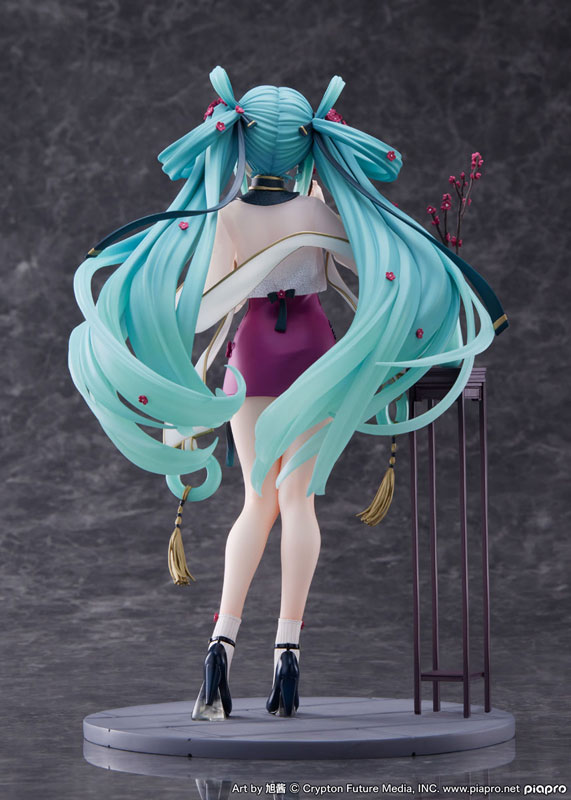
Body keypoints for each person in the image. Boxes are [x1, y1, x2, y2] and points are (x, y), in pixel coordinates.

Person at [68, 66, 506, 721]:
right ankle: (287, 653)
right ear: (307, 143)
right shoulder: (319, 212)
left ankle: (219, 648)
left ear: (242, 145)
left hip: (251, 356)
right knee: (298, 502)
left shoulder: (225, 216)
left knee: (256, 502)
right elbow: (376, 276)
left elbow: (209, 302)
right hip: (311, 352)